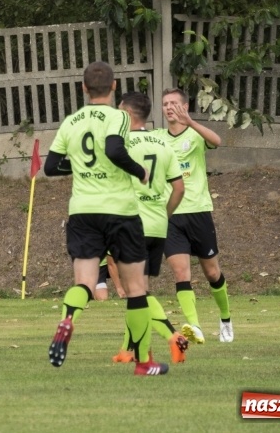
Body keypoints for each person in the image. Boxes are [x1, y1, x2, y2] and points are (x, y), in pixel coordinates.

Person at [43, 61, 167, 376]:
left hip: (82, 211)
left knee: (84, 283)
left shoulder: (71, 121)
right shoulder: (118, 117)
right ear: (113, 87)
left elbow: (51, 166)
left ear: (84, 88)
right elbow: (113, 150)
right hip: (119, 211)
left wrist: (79, 167)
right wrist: (139, 171)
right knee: (136, 288)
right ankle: (144, 363)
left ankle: (67, 320)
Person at [110, 91, 188, 364]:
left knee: (136, 292)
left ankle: (171, 336)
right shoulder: (163, 143)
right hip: (157, 225)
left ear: (127, 114)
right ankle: (128, 350)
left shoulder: (120, 144)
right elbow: (179, 188)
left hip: (132, 224)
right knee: (140, 290)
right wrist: (164, 214)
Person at [155, 88, 233, 344]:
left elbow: (217, 141)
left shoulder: (195, 134)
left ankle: (225, 319)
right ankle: (195, 326)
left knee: (212, 273)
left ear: (185, 106)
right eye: (165, 104)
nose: (169, 107)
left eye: (173, 103)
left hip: (198, 212)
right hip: (170, 215)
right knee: (181, 273)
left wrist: (191, 123)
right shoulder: (157, 138)